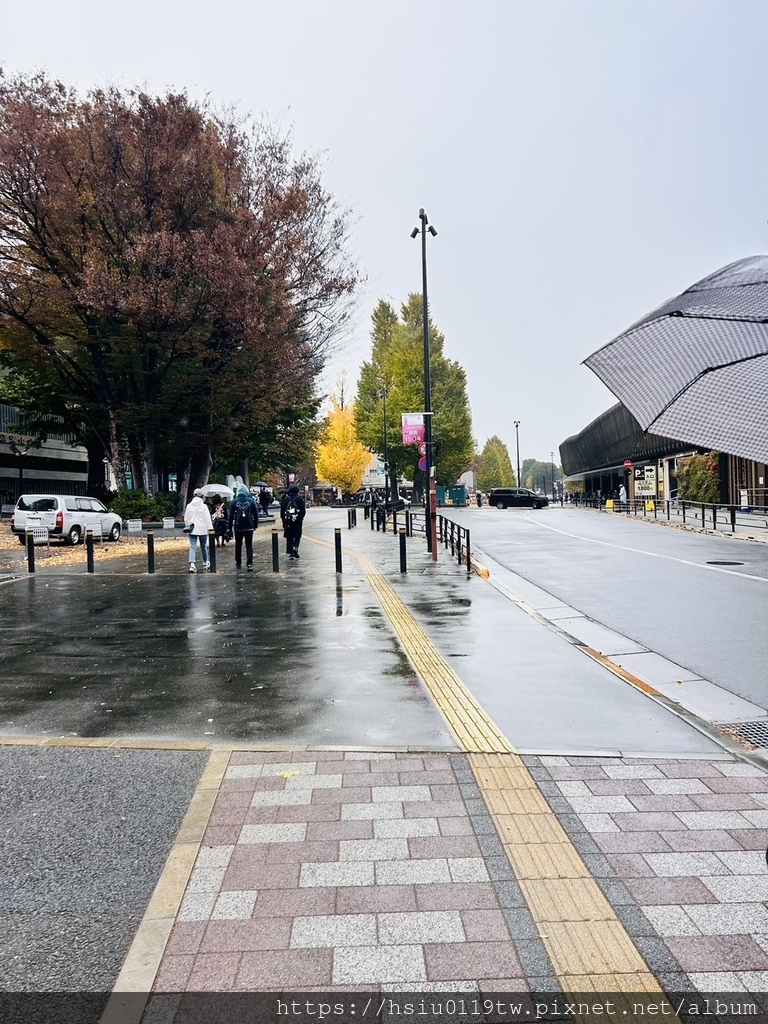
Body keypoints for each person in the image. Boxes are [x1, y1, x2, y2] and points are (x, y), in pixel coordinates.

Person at [228, 484, 259, 570]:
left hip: (238, 527)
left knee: (238, 544)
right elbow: (256, 515)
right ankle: (249, 564)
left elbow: (230, 517)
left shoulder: (234, 502)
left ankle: (238, 562)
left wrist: (229, 528)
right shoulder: (251, 501)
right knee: (249, 545)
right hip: (249, 526)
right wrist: (255, 525)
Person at [184, 488, 213, 573]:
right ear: (201, 496)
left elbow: (186, 518)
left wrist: (187, 526)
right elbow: (207, 519)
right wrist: (210, 529)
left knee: (192, 546)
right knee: (203, 546)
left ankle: (192, 564)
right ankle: (205, 562)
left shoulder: (189, 506)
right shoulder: (204, 506)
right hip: (202, 529)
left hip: (192, 529)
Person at [280, 484, 306, 559]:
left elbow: (282, 511)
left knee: (289, 536)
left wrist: (283, 521)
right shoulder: (300, 499)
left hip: (287, 520)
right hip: (297, 520)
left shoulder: (286, 499)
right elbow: (303, 511)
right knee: (297, 535)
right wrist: (300, 518)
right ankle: (295, 547)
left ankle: (290, 552)